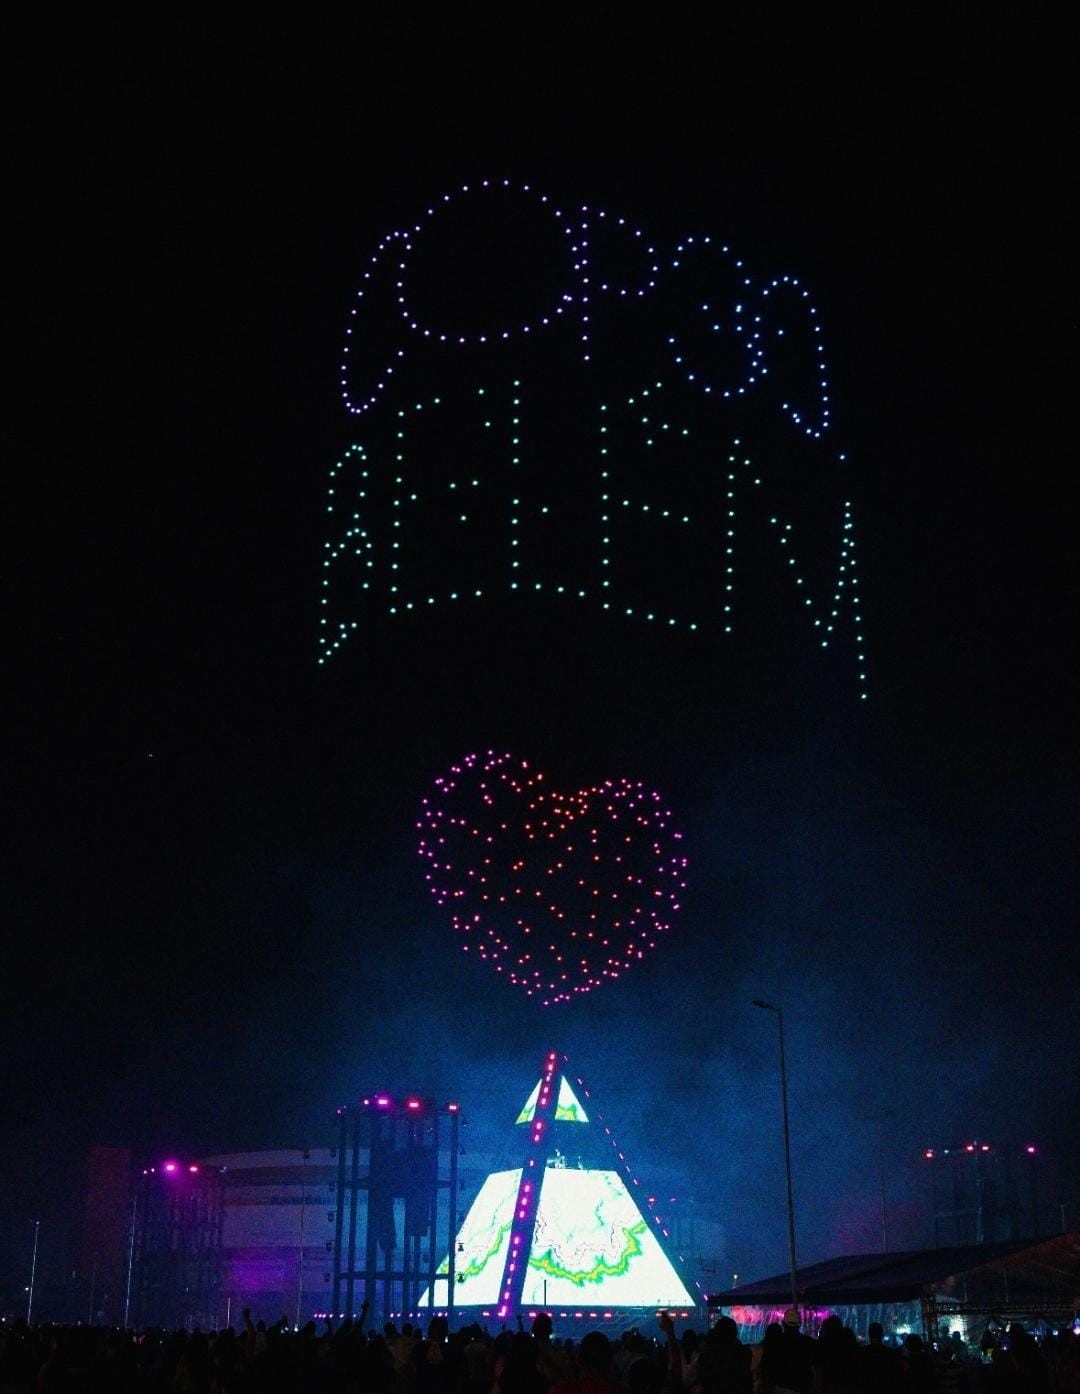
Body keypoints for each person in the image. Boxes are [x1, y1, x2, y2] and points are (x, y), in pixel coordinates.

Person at [767, 1310, 813, 1394]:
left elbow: (770, 1367)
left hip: (780, 1387)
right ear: (800, 1325)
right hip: (802, 1388)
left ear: (783, 1323)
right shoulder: (809, 1343)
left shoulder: (775, 1343)